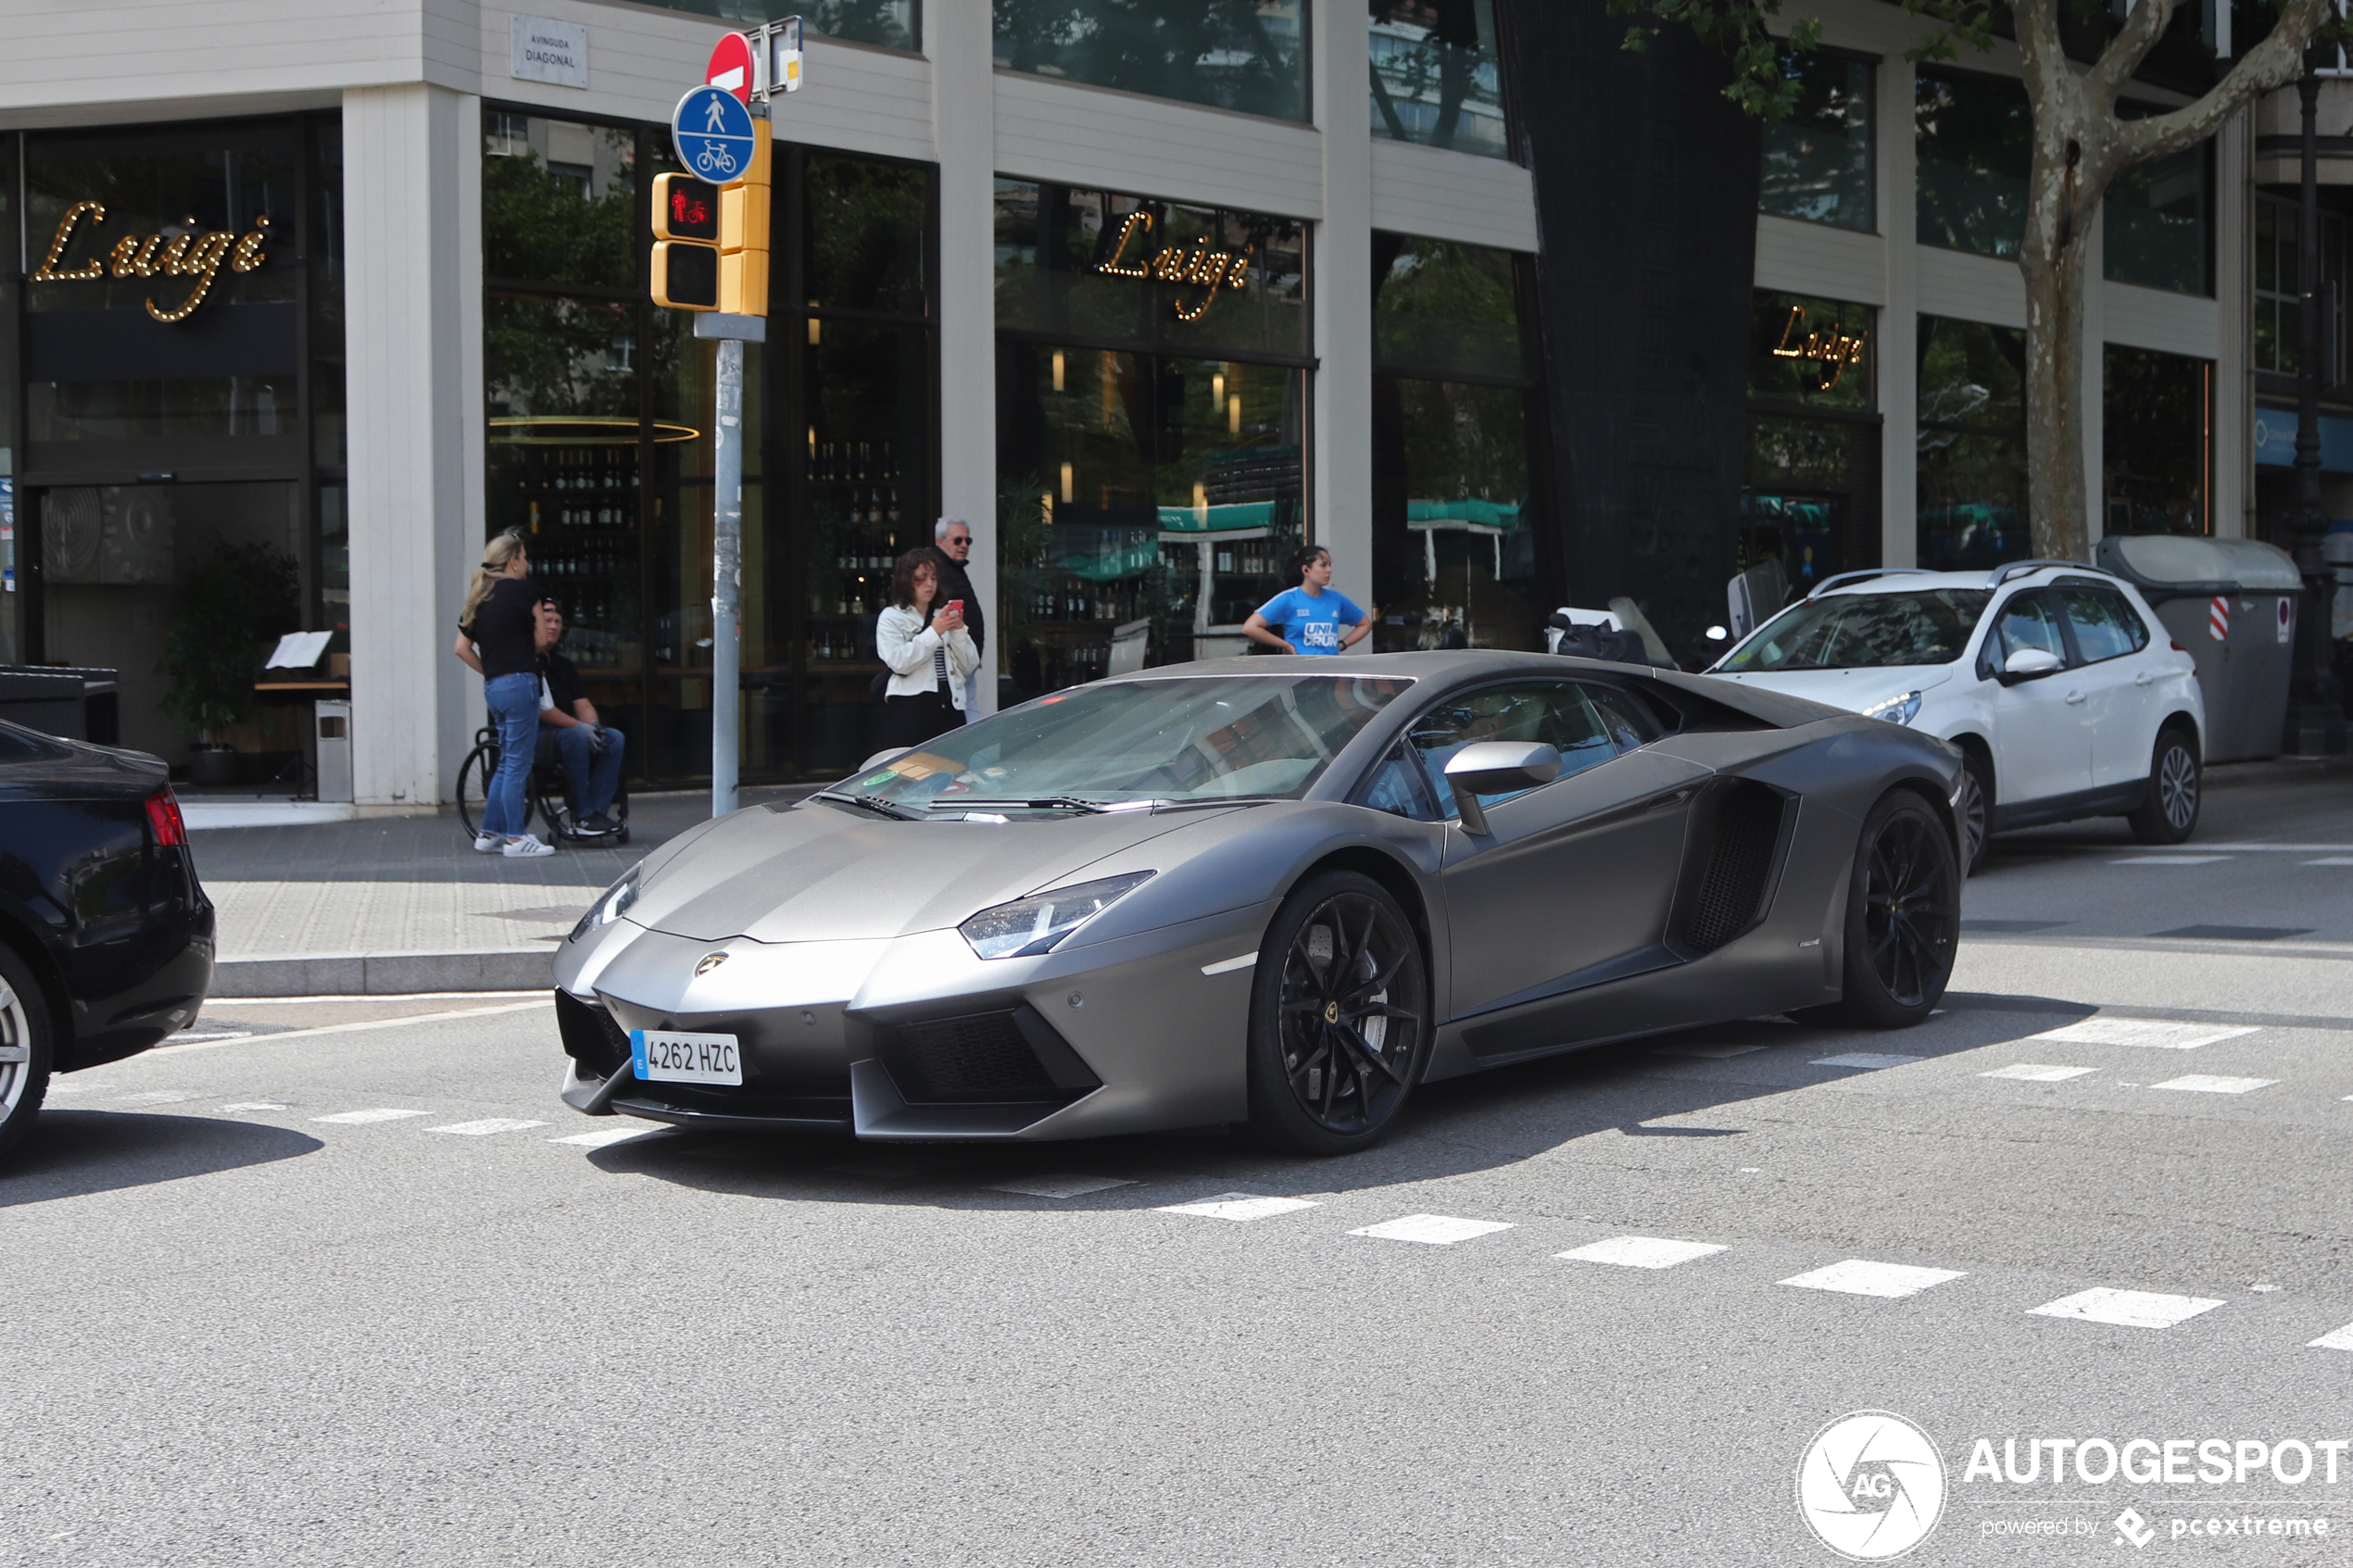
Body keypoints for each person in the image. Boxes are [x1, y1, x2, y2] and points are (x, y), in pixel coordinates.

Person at [451, 533, 555, 857]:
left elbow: (461, 648)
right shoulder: (528, 592)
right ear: (513, 560)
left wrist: (492, 671)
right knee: (517, 763)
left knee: (505, 761)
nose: (527, 563)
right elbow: (541, 641)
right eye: (524, 557)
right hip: (521, 682)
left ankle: (489, 832)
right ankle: (515, 837)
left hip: (494, 687)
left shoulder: (479, 595)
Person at [532, 598, 626, 834]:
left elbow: (581, 703)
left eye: (557, 622)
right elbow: (543, 710)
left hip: (567, 729)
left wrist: (593, 727)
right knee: (574, 737)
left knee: (613, 738)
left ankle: (597, 812)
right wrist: (579, 728)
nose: (553, 626)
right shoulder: (527, 661)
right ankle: (582, 814)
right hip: (536, 734)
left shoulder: (563, 664)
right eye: (547, 621)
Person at [876, 546, 979, 750]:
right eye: (921, 578)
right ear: (906, 581)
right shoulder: (892, 617)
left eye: (933, 577)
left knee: (955, 772)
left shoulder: (943, 614)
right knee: (910, 776)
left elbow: (969, 666)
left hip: (950, 704)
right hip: (910, 708)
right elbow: (899, 662)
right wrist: (934, 632)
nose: (929, 584)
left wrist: (958, 631)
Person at [1243, 545, 1374, 656]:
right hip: (1301, 671)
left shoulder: (1336, 599)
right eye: (1323, 565)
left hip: (1331, 671)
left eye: (1330, 565)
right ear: (1306, 570)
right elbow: (1250, 627)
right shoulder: (1289, 598)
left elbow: (1365, 624)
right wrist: (1286, 645)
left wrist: (1342, 645)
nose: (1329, 570)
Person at [933, 516, 986, 713]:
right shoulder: (938, 571)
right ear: (940, 542)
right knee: (966, 714)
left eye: (967, 540)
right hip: (953, 662)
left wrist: (974, 652)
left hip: (964, 657)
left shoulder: (954, 569)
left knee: (969, 710)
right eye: (957, 540)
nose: (964, 545)